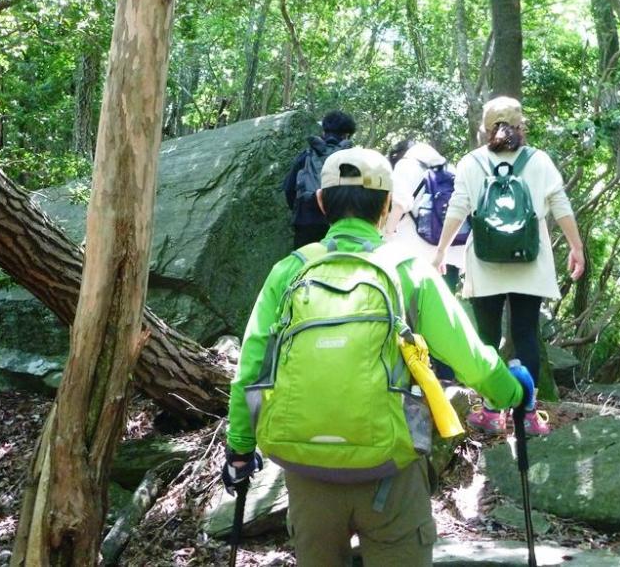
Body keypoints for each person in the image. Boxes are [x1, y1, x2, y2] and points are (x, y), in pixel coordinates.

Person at [224, 147, 534, 566]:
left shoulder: (289, 271)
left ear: (320, 203)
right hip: (389, 470)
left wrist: (240, 448)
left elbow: (250, 368)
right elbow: (471, 357)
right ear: (389, 206)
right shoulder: (408, 269)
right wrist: (513, 391)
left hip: (306, 470)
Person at [433, 96, 585, 437]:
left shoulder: (471, 162)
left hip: (485, 262)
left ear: (483, 131)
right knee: (526, 334)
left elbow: (458, 207)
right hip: (530, 261)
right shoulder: (539, 160)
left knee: (487, 338)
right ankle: (527, 414)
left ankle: (491, 410)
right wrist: (576, 247)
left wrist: (441, 251)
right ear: (521, 127)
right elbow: (559, 203)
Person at [384, 139, 465, 294]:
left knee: (410, 310)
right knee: (440, 310)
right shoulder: (450, 170)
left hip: (412, 255)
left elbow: (400, 203)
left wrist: (387, 236)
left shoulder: (406, 165)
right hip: (448, 257)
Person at [282, 110, 356, 248]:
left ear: (323, 132)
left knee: (304, 264)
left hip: (307, 221)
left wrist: (302, 208)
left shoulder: (306, 155)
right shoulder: (354, 158)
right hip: (341, 222)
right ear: (346, 135)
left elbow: (288, 188)